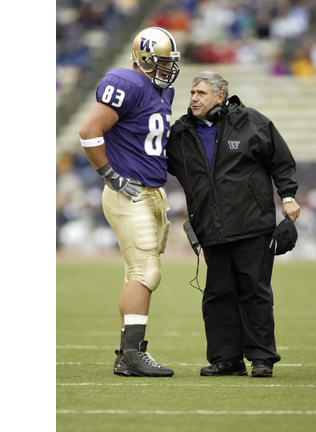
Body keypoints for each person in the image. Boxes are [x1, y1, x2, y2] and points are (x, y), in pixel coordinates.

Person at [167, 71, 301, 378]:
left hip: (252, 224)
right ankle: (226, 358)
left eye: (201, 93)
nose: (194, 99)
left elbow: (281, 160)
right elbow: (157, 162)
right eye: (191, 93)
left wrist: (289, 196)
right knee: (217, 294)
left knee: (254, 292)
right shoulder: (181, 132)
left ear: (220, 97)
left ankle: (262, 358)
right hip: (210, 228)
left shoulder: (252, 122)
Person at [78, 27, 181, 377]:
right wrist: (110, 174)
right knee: (146, 272)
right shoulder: (128, 82)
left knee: (136, 272)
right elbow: (89, 129)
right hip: (129, 189)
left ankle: (127, 353)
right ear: (144, 59)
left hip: (152, 189)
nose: (167, 69)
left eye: (170, 63)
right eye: (162, 62)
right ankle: (134, 354)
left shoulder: (160, 92)